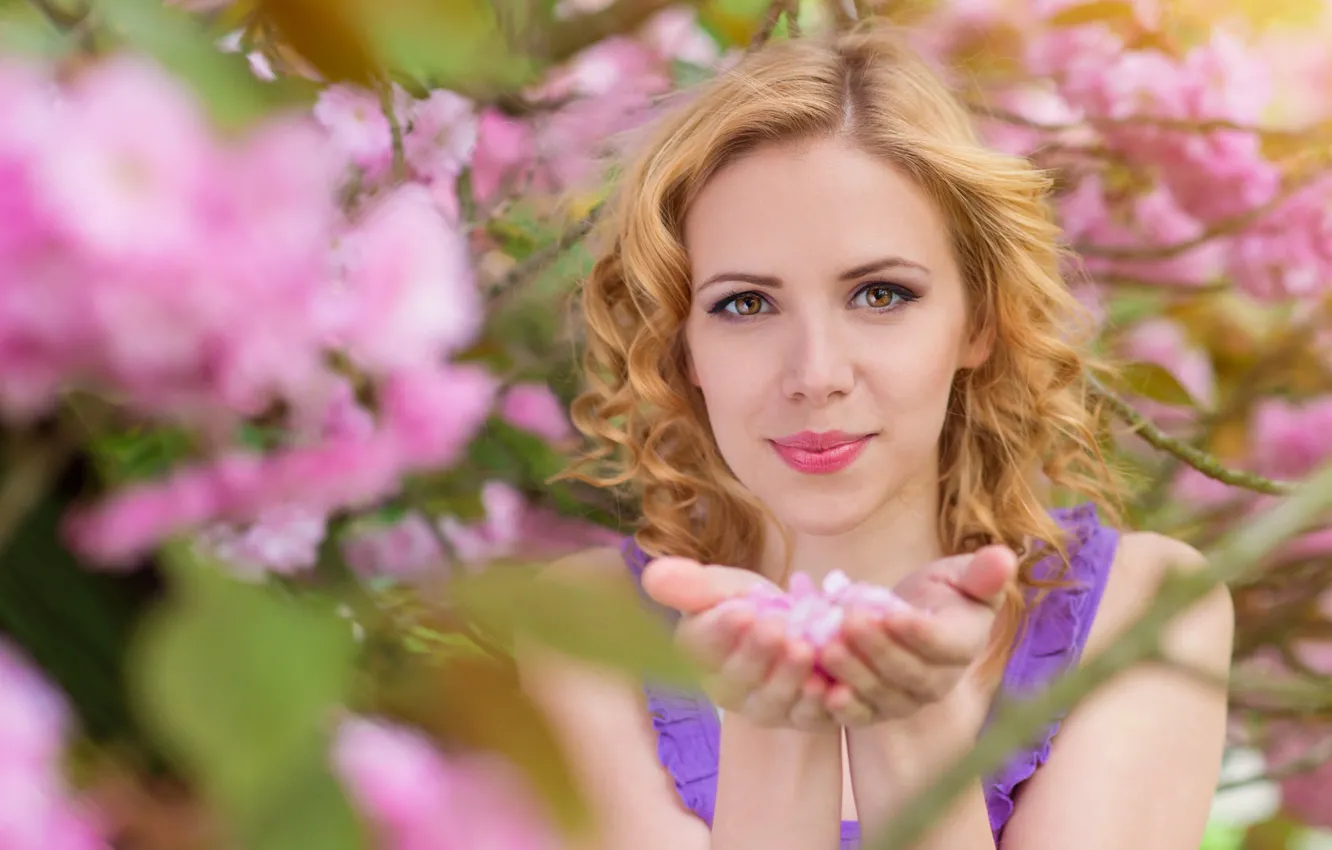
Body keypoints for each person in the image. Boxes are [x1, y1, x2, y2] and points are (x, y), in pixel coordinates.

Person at [518, 19, 1235, 850]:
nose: (816, 372)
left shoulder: (1141, 608)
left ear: (979, 323)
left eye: (881, 295)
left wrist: (912, 726)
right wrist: (777, 731)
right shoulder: (586, 624)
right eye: (744, 304)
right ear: (683, 350)